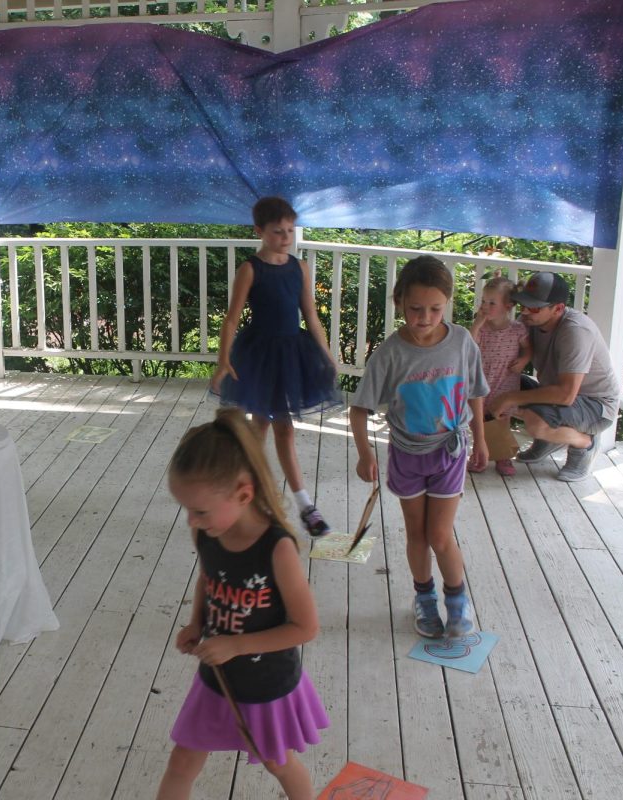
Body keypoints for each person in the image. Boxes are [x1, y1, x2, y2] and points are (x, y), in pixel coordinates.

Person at [158, 408, 328, 800]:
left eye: (199, 510)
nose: (191, 521)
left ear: (244, 494)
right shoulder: (209, 533)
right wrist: (195, 623)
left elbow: (306, 628)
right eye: (187, 509)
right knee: (182, 763)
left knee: (277, 763)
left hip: (265, 685)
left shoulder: (277, 548)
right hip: (216, 680)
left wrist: (235, 645)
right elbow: (209, 579)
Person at [349, 256, 488, 639]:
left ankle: (457, 600)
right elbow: (359, 409)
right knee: (417, 535)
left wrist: (481, 438)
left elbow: (475, 392)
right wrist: (365, 453)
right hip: (406, 456)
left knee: (440, 536)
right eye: (415, 309)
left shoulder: (462, 341)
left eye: (435, 309)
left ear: (448, 304)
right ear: (399, 303)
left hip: (450, 452)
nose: (425, 317)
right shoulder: (390, 353)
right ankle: (424, 598)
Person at [210, 196, 339, 539]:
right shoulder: (250, 269)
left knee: (285, 430)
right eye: (278, 231)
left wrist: (326, 353)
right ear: (260, 231)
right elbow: (232, 318)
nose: (286, 237)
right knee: (258, 430)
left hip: (291, 355)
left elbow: (310, 315)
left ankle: (303, 505)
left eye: (290, 230)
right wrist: (223, 359)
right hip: (260, 355)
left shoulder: (299, 268)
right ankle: (249, 498)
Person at [486, 271, 620, 483]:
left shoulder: (576, 331)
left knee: (536, 422)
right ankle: (548, 439)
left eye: (534, 307)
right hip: (558, 397)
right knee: (489, 388)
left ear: (557, 308)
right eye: (523, 304)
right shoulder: (530, 322)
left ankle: (585, 444)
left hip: (595, 406)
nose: (525, 312)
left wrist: (511, 397)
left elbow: (566, 395)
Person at [468, 275, 532, 476]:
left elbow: (528, 350)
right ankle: (479, 452)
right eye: (483, 302)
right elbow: (468, 346)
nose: (485, 306)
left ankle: (503, 457)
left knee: (501, 419)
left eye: (492, 303)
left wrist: (523, 360)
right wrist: (477, 324)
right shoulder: (482, 329)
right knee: (476, 420)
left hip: (504, 381)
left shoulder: (517, 329)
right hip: (481, 381)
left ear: (508, 305)